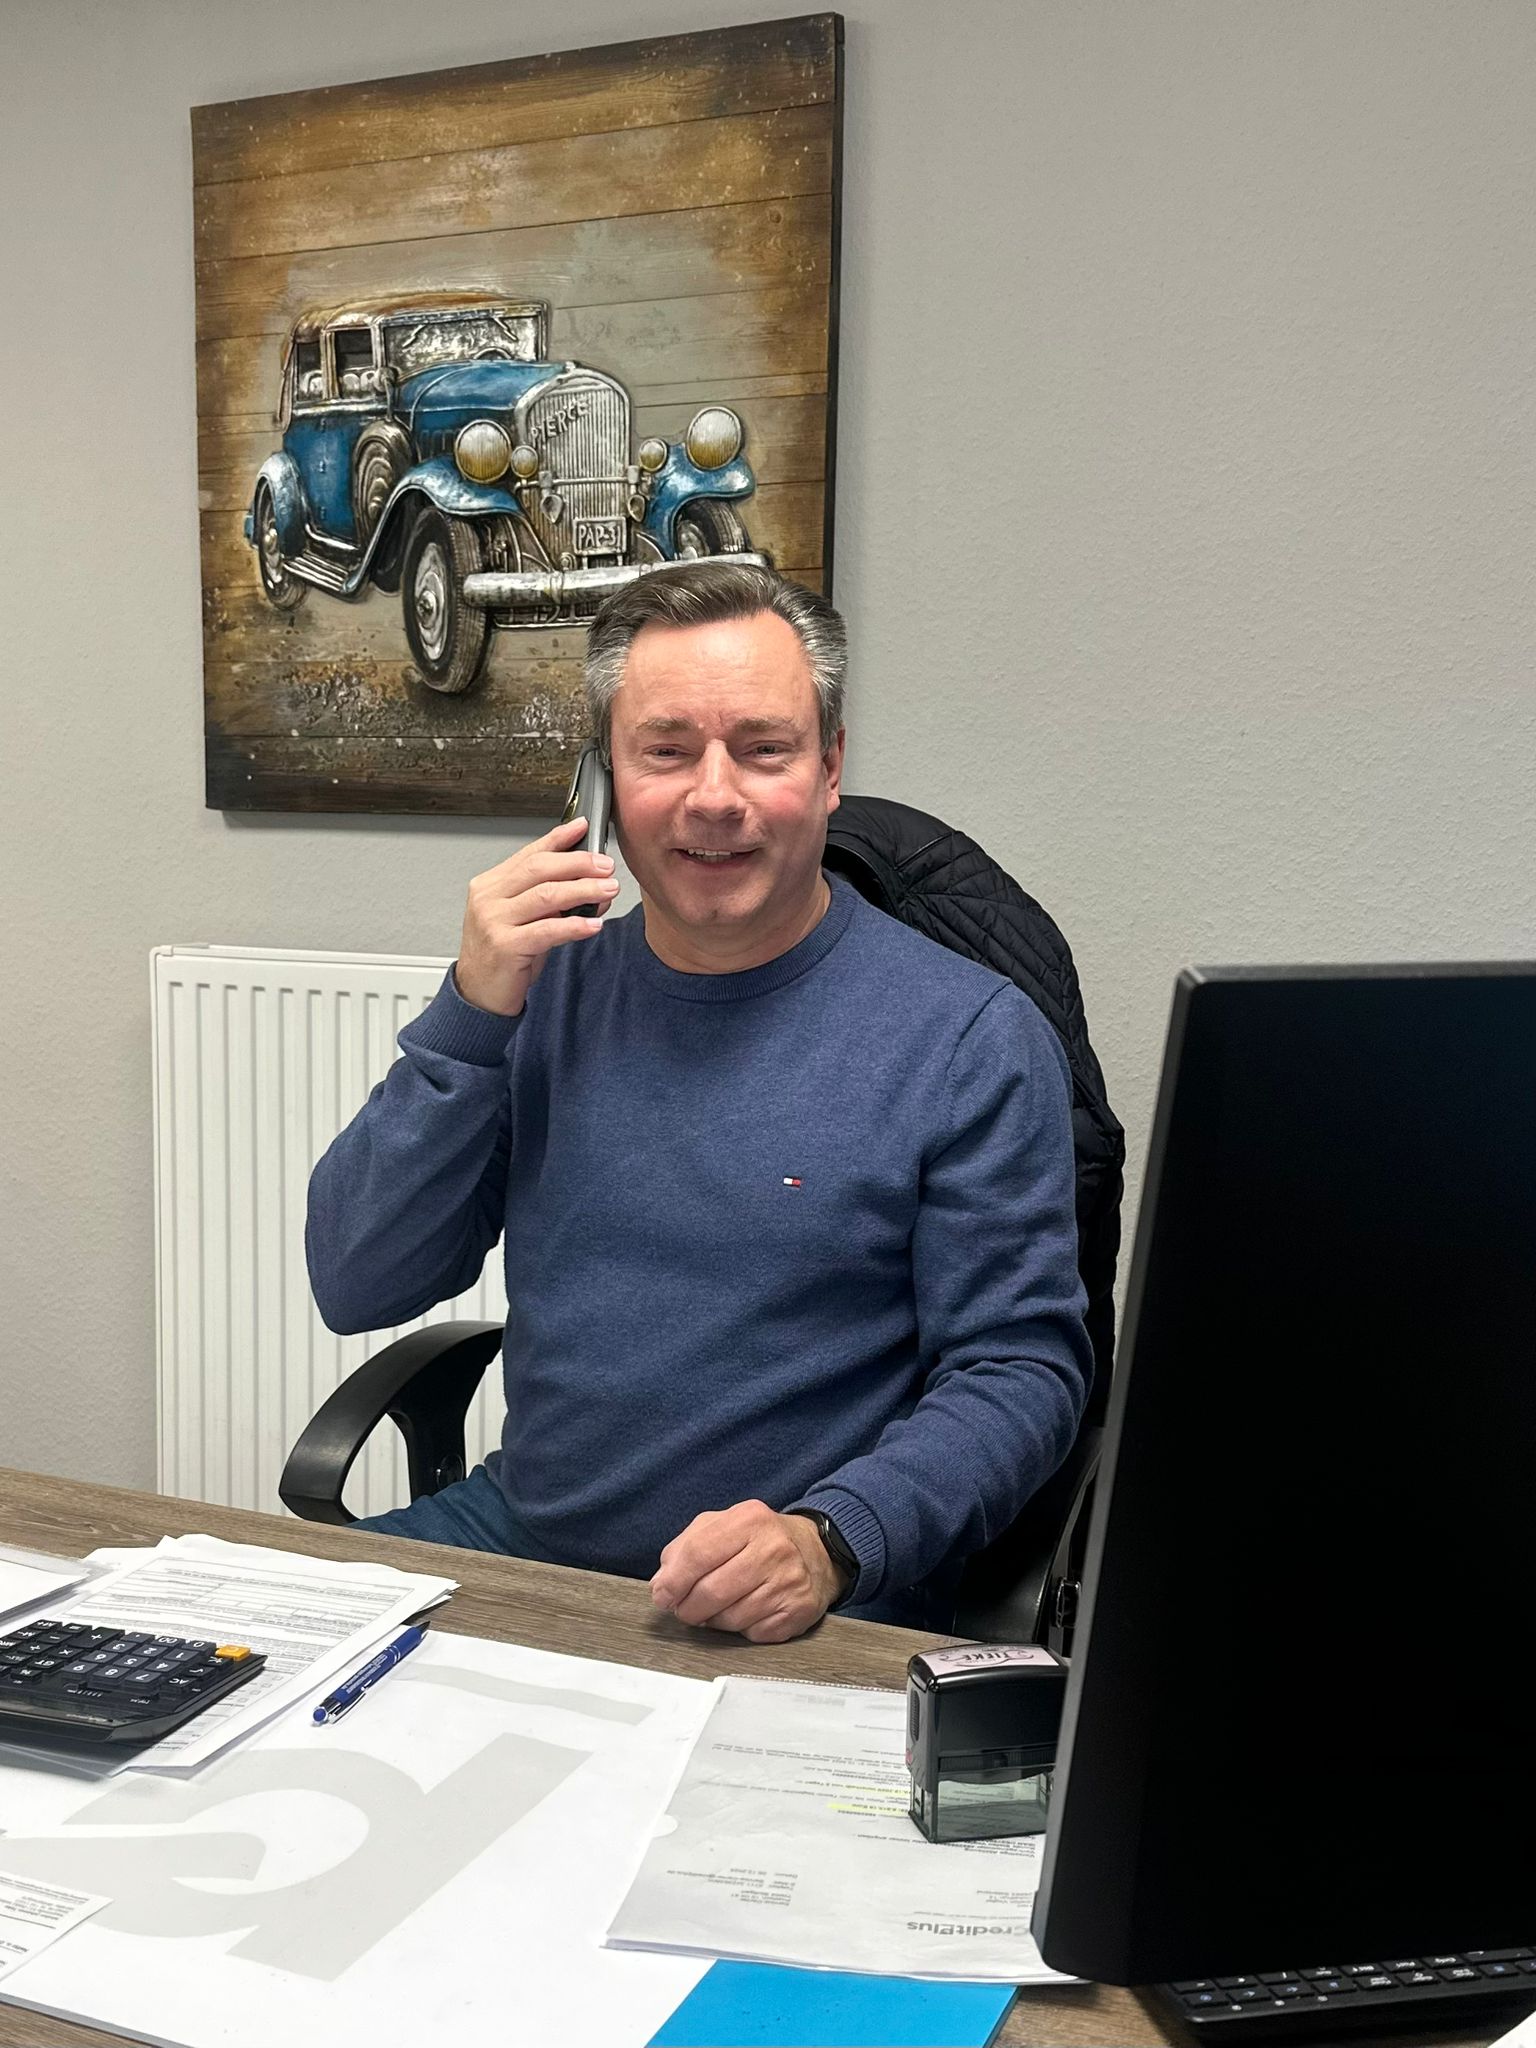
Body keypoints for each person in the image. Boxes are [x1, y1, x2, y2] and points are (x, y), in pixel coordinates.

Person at [306, 562, 1091, 1640]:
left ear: (829, 768)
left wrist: (832, 1539)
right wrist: (470, 1014)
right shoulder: (544, 994)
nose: (714, 796)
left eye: (763, 749)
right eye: (666, 751)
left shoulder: (970, 1036)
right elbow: (357, 1280)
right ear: (602, 781)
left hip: (810, 1595)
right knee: (223, 1672)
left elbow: (1021, 1371)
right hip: (525, 1542)